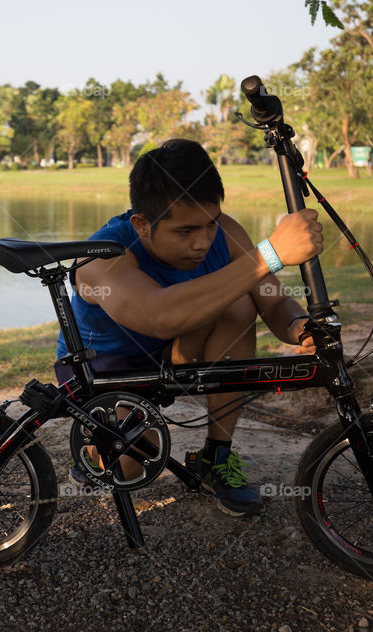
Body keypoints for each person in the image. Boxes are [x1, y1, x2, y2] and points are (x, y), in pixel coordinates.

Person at [53, 139, 323, 517]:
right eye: (185, 231)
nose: (203, 241)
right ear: (142, 225)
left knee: (239, 302)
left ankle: (216, 457)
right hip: (102, 370)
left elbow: (272, 301)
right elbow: (158, 314)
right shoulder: (101, 254)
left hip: (172, 353)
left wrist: (304, 330)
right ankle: (92, 446)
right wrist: (271, 254)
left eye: (211, 223)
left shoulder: (226, 233)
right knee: (131, 468)